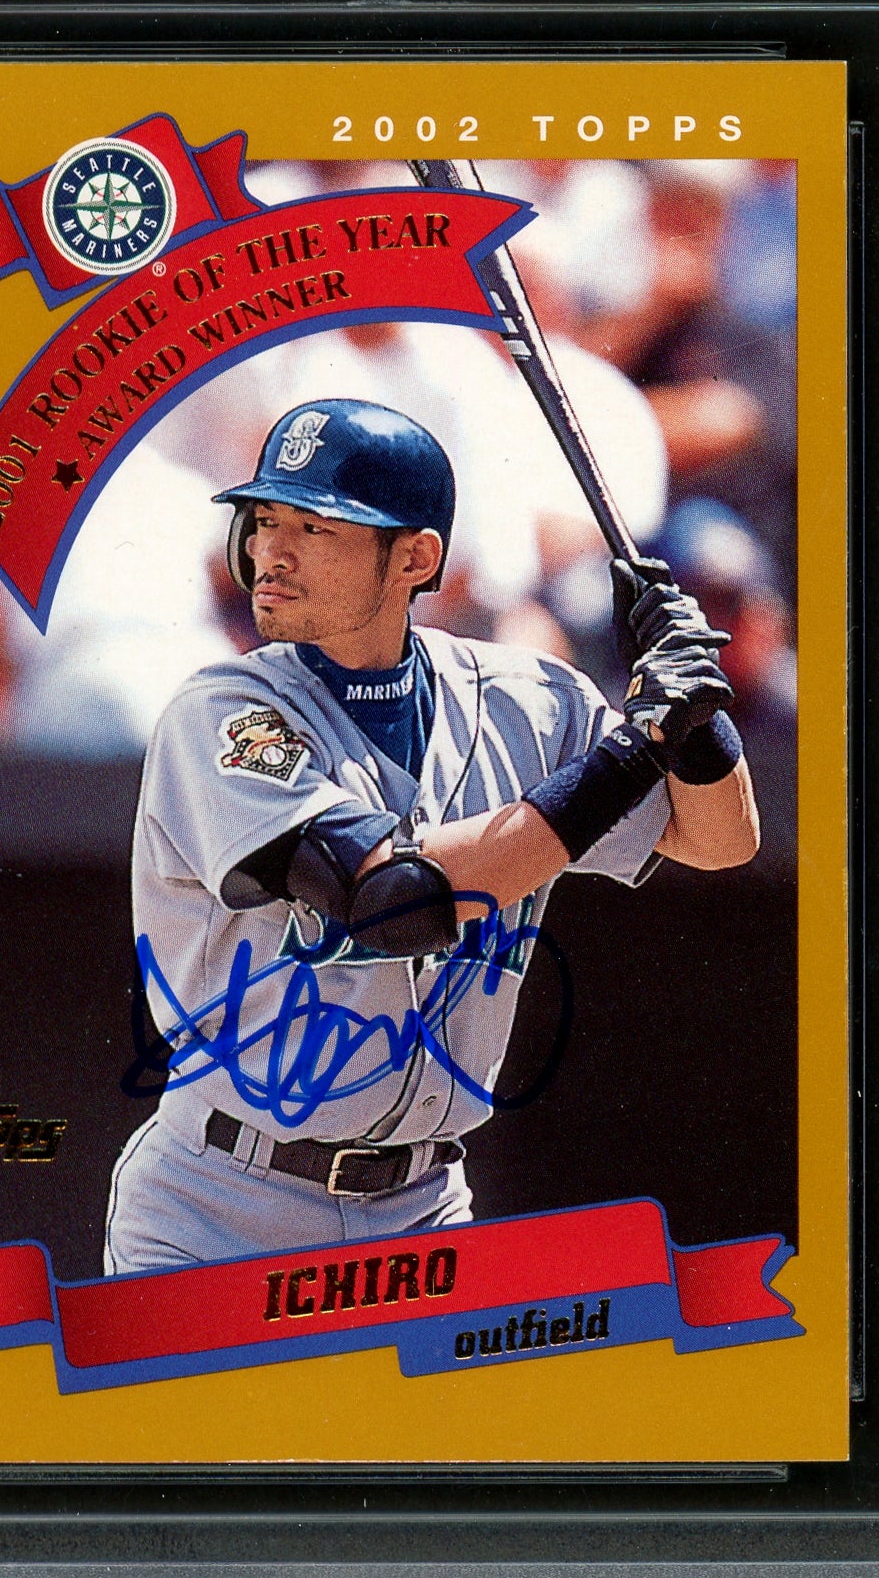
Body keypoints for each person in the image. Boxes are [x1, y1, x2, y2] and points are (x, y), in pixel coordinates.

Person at [104, 399, 758, 1275]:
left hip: (421, 1209)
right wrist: (635, 748)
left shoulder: (531, 701)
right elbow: (394, 902)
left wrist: (698, 719)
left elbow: (720, 839)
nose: (271, 553)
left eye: (314, 527)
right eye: (263, 521)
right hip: (219, 1207)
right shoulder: (224, 713)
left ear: (414, 558)